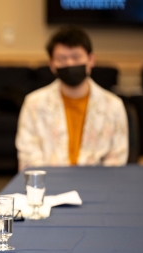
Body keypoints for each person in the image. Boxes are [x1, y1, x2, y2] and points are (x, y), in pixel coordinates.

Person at [15, 26, 128, 171]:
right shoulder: (33, 104)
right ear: (51, 65)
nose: (69, 64)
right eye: (61, 59)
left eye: (76, 57)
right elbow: (28, 159)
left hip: (98, 188)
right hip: (50, 188)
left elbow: (116, 161)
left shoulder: (113, 106)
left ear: (91, 59)